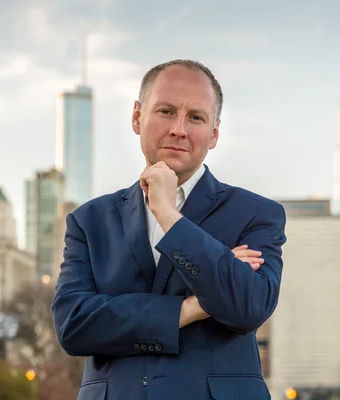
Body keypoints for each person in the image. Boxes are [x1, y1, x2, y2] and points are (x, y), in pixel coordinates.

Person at [51, 59, 287, 400]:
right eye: (165, 111)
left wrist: (167, 214)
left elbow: (248, 306)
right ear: (137, 117)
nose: (179, 128)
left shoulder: (256, 214)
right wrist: (189, 309)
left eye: (196, 117)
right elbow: (74, 326)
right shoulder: (88, 221)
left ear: (214, 133)